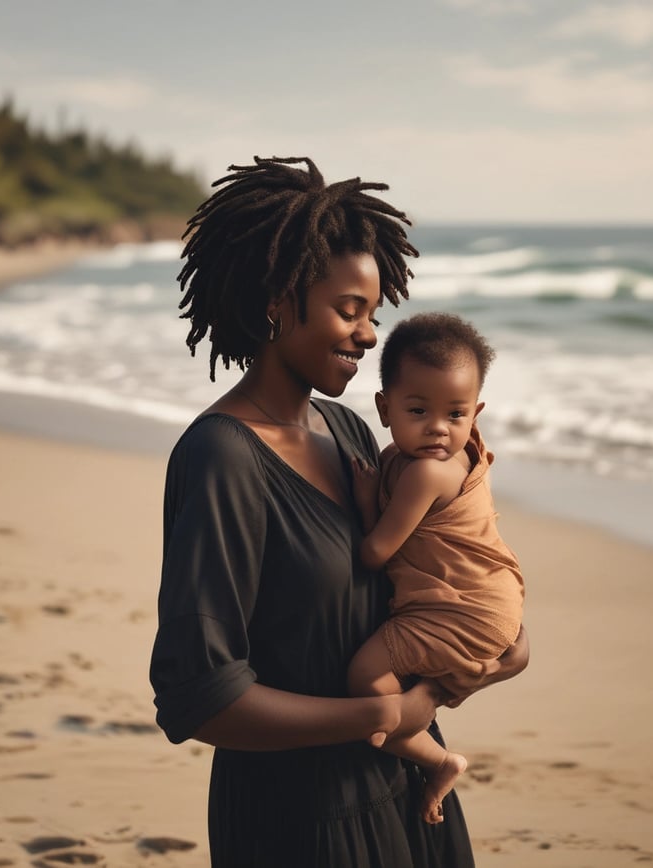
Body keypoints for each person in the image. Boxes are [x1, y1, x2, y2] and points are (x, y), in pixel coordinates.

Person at [149, 156, 529, 868]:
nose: (367, 336)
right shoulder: (221, 458)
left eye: (373, 315)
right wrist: (385, 714)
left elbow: (414, 591)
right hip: (300, 820)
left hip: (411, 788)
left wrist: (488, 652)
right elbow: (200, 695)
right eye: (349, 310)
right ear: (276, 299)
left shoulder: (350, 433)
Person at [348, 312, 526, 825]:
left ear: (477, 412)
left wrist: (364, 502)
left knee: (366, 677)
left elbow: (374, 554)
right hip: (491, 599)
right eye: (419, 409)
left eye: (455, 414)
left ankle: (437, 757)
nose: (437, 429)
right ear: (385, 409)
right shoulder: (445, 458)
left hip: (462, 612)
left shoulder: (424, 471)